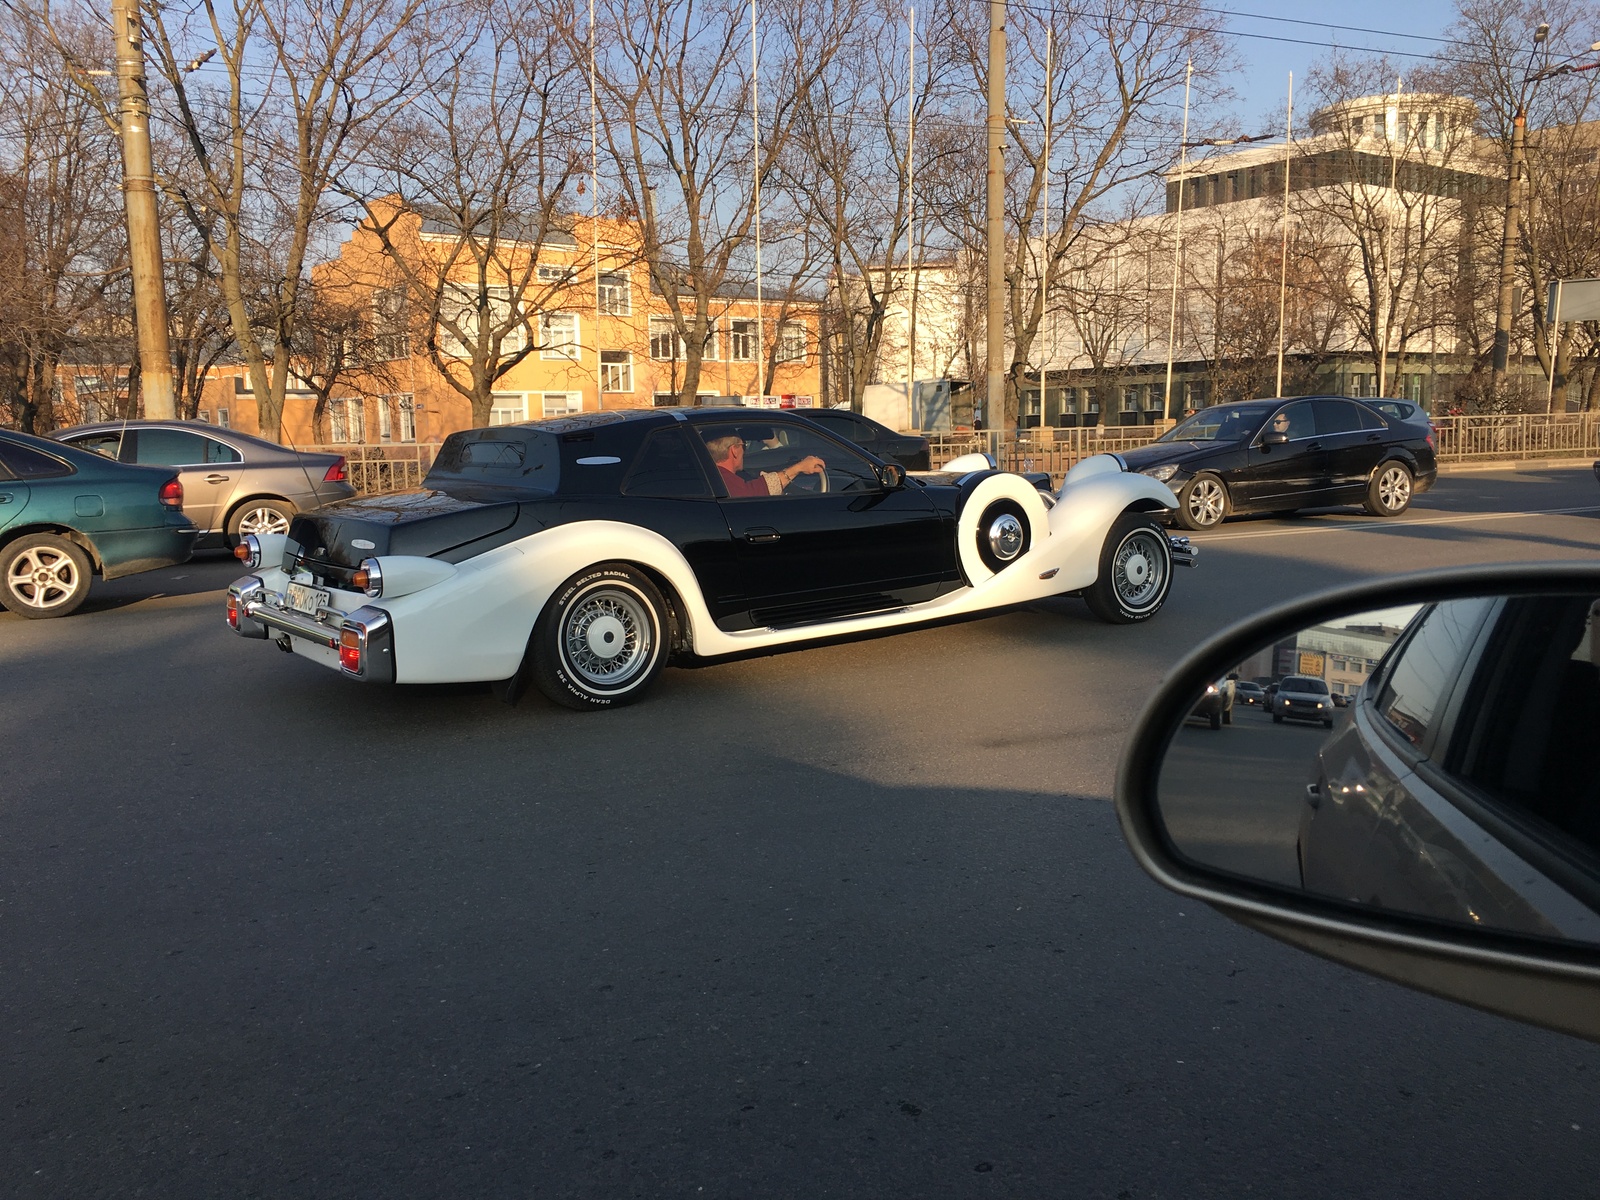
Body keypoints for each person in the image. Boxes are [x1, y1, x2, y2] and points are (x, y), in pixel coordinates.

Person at [704, 433, 824, 497]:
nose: (744, 451)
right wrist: (799, 468)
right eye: (743, 445)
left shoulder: (709, 474)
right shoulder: (722, 479)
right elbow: (753, 493)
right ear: (734, 450)